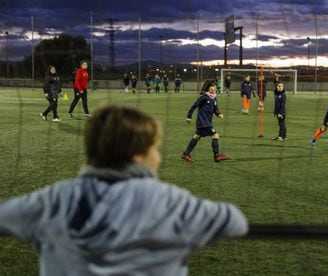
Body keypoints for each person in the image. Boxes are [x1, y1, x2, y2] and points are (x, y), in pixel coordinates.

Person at [0, 104, 248, 275]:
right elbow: (235, 222)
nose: (158, 157)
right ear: (138, 155)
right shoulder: (171, 201)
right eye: (154, 148)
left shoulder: (55, 200)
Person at [181, 80, 230, 162]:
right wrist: (189, 116)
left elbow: (215, 108)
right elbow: (194, 106)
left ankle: (186, 154)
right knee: (215, 135)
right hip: (203, 122)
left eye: (214, 87)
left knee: (196, 137)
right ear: (208, 88)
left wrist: (219, 114)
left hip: (206, 122)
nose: (214, 88)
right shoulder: (204, 97)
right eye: (212, 87)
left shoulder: (214, 98)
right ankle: (216, 156)